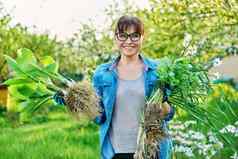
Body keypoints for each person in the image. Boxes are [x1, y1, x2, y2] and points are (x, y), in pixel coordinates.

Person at [92, 15, 175, 159]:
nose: (129, 41)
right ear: (116, 37)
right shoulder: (102, 73)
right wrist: (81, 103)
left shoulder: (158, 71)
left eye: (135, 36)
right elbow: (99, 118)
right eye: (123, 36)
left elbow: (169, 114)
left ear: (142, 37)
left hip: (151, 150)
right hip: (116, 151)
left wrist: (165, 108)